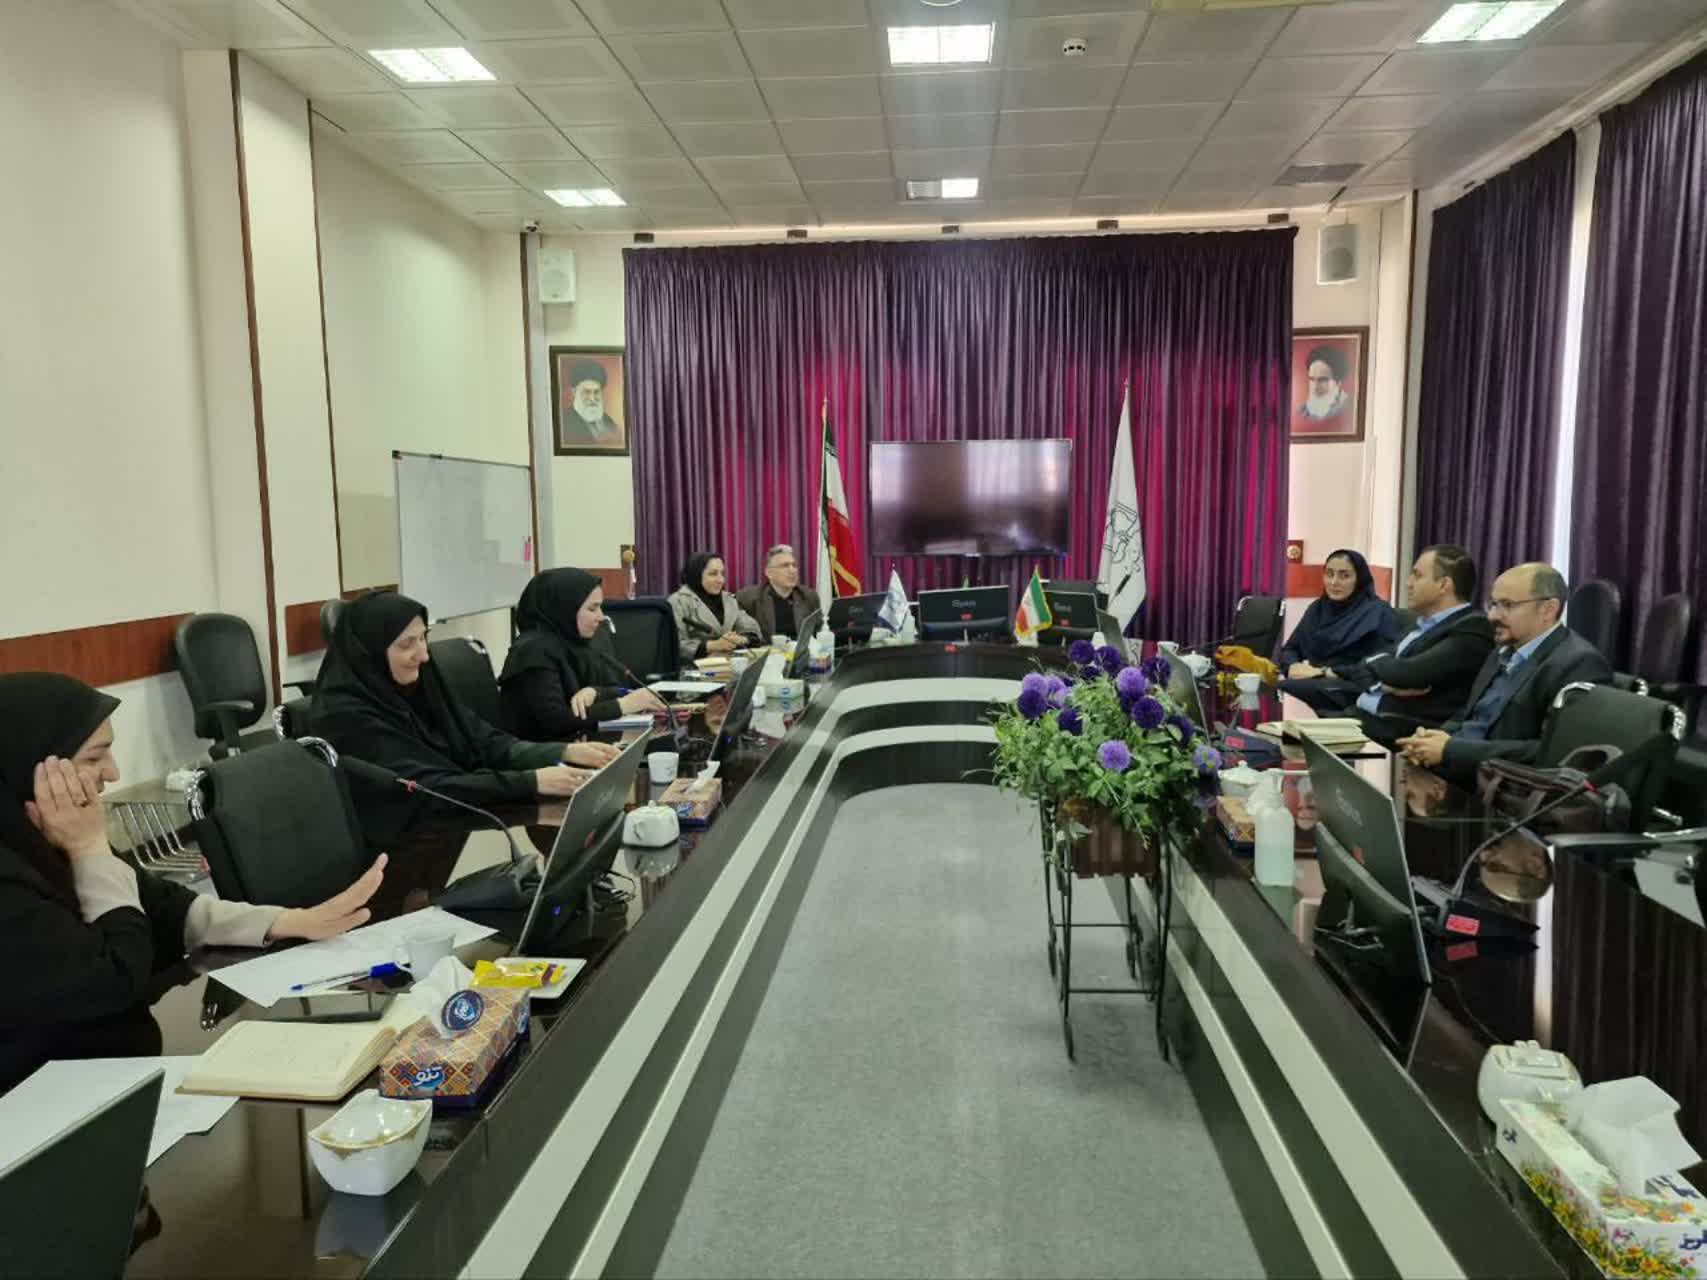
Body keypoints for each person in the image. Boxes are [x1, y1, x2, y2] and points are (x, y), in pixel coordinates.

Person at [0, 673, 387, 1094]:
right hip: (38, 1104)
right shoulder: (18, 877)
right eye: (95, 758)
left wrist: (288, 921)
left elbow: (163, 906)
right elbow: (115, 979)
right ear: (29, 766)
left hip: (110, 1075)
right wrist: (90, 853)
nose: (112, 773)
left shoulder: (45, 836)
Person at [312, 592, 617, 844]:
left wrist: (564, 752)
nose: (424, 655)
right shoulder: (344, 715)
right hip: (393, 847)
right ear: (370, 652)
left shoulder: (419, 682)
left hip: (451, 827)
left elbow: (484, 740)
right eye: (407, 644)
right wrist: (531, 781)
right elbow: (425, 788)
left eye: (424, 638)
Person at [1398, 563, 1614, 783]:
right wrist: (1432, 739)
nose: (1492, 615)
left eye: (1507, 605)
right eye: (1493, 604)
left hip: (1498, 785)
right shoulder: (1502, 650)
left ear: (1548, 609)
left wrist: (1451, 749)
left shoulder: (1578, 663)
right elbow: (1469, 712)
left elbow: (1551, 752)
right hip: (1455, 767)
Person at [1336, 545, 1496, 745]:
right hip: (1366, 716)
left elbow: (1408, 674)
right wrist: (1381, 683)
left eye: (1417, 575)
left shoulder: (1472, 628)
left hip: (1405, 731)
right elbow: (1364, 663)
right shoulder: (1419, 624)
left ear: (1443, 585)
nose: (1408, 583)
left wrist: (1379, 668)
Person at [499, 568, 665, 741]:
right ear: (565, 609)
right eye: (592, 609)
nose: (601, 617)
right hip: (542, 751)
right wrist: (623, 705)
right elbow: (555, 721)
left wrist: (595, 692)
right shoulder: (533, 651)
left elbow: (615, 687)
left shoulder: (576, 643)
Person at [1279, 549, 1403, 712]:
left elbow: (1381, 663)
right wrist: (1292, 665)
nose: (1334, 582)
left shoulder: (1378, 612)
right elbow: (1290, 649)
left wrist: (1325, 672)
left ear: (1359, 579)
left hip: (1357, 690)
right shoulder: (1318, 609)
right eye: (1329, 574)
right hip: (1319, 685)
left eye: (1344, 576)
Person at [669, 553, 761, 664]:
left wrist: (740, 639)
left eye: (722, 573)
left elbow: (750, 627)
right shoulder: (678, 601)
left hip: (727, 665)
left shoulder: (728, 599)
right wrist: (713, 645)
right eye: (713, 574)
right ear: (696, 574)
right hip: (692, 669)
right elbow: (673, 644)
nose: (721, 580)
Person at [736, 544, 822, 641]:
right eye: (785, 566)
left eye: (794, 565)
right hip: (768, 649)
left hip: (800, 649)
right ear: (769, 573)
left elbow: (819, 631)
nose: (792, 570)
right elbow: (745, 634)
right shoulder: (749, 598)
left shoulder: (809, 596)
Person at [558, 359, 623, 450]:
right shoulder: (564, 423)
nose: (592, 398)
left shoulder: (609, 423)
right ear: (574, 392)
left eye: (596, 392)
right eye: (587, 392)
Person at [1299, 346, 1350, 422]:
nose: (1315, 387)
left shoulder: (1348, 410)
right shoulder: (1303, 411)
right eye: (1312, 379)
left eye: (1322, 380)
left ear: (1338, 382)